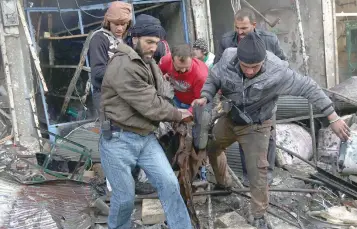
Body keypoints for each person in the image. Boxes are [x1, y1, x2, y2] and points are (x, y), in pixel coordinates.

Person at [192, 32, 350, 229]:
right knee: (212, 147)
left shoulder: (278, 72)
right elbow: (214, 78)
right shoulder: (227, 58)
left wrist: (332, 116)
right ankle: (224, 185)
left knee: (258, 171)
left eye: (255, 67)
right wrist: (205, 96)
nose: (249, 71)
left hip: (257, 125)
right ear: (238, 59)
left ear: (263, 61)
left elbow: (309, 87)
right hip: (231, 118)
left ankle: (258, 215)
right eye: (245, 66)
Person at [99, 14, 193, 229]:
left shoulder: (147, 62)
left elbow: (163, 93)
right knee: (124, 199)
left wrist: (173, 106)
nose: (153, 47)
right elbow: (150, 104)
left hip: (145, 138)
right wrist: (178, 114)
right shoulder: (124, 64)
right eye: (149, 41)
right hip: (118, 140)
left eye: (156, 43)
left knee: (169, 184)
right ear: (134, 38)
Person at [214, 8, 287, 186]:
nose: (239, 32)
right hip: (238, 98)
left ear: (254, 25)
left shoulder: (269, 40)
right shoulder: (226, 41)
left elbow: (284, 65)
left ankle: (266, 175)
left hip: (264, 100)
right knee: (242, 133)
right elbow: (218, 66)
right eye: (237, 27)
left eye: (244, 28)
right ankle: (248, 175)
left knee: (267, 137)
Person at [89, 1, 132, 112]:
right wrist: (127, 74)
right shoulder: (99, 38)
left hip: (122, 93)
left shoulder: (122, 40)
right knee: (110, 128)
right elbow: (98, 72)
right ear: (108, 22)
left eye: (123, 24)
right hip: (105, 95)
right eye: (116, 24)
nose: (119, 28)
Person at [159, 44, 208, 113]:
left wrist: (189, 113)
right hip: (176, 97)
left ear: (192, 59)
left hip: (192, 103)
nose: (183, 70)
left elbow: (200, 101)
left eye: (187, 67)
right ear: (172, 60)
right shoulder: (165, 61)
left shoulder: (201, 75)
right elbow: (156, 76)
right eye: (179, 67)